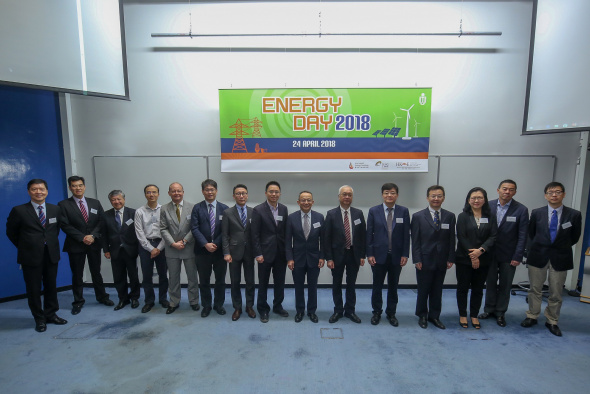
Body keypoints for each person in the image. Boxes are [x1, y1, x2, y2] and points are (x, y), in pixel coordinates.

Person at [6, 179, 68, 332]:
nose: (38, 192)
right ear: (29, 192)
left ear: (47, 191)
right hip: (30, 256)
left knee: (51, 286)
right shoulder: (19, 210)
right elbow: (11, 232)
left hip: (51, 254)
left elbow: (55, 230)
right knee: (33, 289)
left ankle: (51, 314)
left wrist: (48, 243)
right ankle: (39, 319)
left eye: (41, 189)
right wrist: (27, 246)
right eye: (34, 189)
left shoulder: (55, 209)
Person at [521, 181, 582, 337]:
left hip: (561, 257)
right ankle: (532, 316)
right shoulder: (537, 212)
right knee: (535, 289)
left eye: (558, 192)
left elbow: (574, 237)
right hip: (538, 255)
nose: (554, 195)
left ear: (564, 194)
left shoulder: (574, 214)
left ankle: (552, 321)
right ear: (545, 195)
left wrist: (559, 246)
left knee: (556, 291)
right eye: (550, 192)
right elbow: (531, 234)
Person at [59, 175, 113, 315]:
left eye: (80, 185)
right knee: (77, 274)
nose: (78, 188)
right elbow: (65, 225)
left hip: (94, 243)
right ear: (70, 187)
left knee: (96, 272)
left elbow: (101, 221)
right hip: (76, 244)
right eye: (74, 186)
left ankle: (102, 297)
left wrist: (93, 236)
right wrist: (82, 237)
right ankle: (78, 301)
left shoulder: (94, 202)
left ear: (84, 186)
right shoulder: (63, 205)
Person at [479, 180, 528, 327]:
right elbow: (482, 229)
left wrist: (518, 255)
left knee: (505, 285)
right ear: (498, 190)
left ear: (515, 192)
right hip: (489, 252)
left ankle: (500, 313)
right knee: (490, 283)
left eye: (511, 190)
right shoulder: (488, 206)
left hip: (509, 254)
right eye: (504, 189)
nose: (507, 192)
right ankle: (489, 309)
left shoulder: (521, 210)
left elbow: (523, 235)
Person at [411, 185, 456, 329]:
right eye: (433, 196)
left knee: (437, 290)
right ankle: (422, 315)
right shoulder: (418, 216)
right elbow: (415, 240)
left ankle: (434, 316)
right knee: (423, 289)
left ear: (443, 198)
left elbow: (451, 239)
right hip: (424, 259)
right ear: (427, 198)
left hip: (442, 259)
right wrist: (417, 259)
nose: (436, 199)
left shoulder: (450, 216)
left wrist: (451, 257)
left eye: (439, 196)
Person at [366, 183, 410, 327]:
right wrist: (370, 253)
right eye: (386, 193)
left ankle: (391, 313)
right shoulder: (374, 211)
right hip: (378, 256)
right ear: (382, 195)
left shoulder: (403, 211)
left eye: (392, 193)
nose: (389, 195)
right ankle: (376, 312)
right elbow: (369, 234)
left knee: (393, 286)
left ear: (397, 195)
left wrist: (405, 254)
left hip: (396, 256)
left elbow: (406, 235)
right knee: (377, 286)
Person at [455, 187, 497, 329]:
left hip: (484, 258)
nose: (476, 200)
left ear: (484, 200)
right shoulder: (462, 216)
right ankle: (462, 314)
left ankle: (474, 315)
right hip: (464, 259)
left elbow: (493, 236)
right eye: (473, 198)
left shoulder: (491, 216)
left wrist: (480, 251)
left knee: (478, 289)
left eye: (479, 198)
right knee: (463, 288)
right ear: (468, 200)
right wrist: (473, 255)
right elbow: (461, 237)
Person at [324, 185, 366, 324]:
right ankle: (338, 310)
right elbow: (327, 238)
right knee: (336, 284)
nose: (347, 197)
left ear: (352, 197)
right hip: (337, 256)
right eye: (344, 194)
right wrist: (329, 258)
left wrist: (362, 255)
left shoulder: (358, 213)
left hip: (353, 254)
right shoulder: (331, 214)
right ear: (339, 197)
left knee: (351, 284)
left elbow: (362, 236)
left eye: (349, 194)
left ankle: (350, 311)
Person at [251, 181, 289, 323]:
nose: (274, 194)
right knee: (263, 283)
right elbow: (254, 235)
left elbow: (285, 232)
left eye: (276, 192)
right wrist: (258, 254)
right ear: (266, 193)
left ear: (280, 193)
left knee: (280, 282)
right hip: (264, 254)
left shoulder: (284, 209)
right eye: (271, 191)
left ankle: (277, 306)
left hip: (281, 254)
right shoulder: (258, 210)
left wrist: (287, 253)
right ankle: (263, 309)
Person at [191, 179, 229, 317]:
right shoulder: (197, 208)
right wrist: (205, 244)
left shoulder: (224, 208)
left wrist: (216, 244)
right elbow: (194, 228)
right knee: (204, 281)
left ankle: (219, 305)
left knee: (220, 280)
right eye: (207, 190)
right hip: (202, 251)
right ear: (202, 192)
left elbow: (225, 230)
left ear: (216, 191)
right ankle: (206, 306)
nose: (210, 192)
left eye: (212, 189)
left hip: (220, 252)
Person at [286, 191, 325, 323]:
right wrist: (289, 258)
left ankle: (312, 311)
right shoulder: (291, 218)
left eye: (309, 200)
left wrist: (322, 257)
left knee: (313, 286)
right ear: (298, 202)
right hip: (297, 259)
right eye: (303, 200)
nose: (306, 202)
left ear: (312, 202)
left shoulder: (320, 217)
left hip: (314, 259)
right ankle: (300, 311)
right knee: (298, 287)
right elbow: (287, 241)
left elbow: (323, 240)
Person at [160, 182, 199, 314]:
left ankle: (193, 301)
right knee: (173, 277)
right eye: (173, 191)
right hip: (172, 249)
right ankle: (174, 302)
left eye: (179, 191)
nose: (176, 193)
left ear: (183, 192)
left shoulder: (193, 207)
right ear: (169, 193)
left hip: (188, 247)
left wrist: (184, 241)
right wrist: (173, 243)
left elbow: (194, 228)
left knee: (192, 277)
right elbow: (163, 228)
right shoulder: (164, 209)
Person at [101, 190, 140, 311]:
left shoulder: (133, 213)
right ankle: (123, 299)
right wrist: (106, 250)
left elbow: (138, 232)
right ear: (110, 201)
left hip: (131, 250)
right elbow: (104, 234)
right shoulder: (105, 215)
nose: (116, 202)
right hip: (115, 251)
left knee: (133, 275)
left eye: (119, 199)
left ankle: (135, 298)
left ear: (124, 199)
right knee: (118, 277)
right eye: (113, 200)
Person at [222, 184, 255, 321]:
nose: (241, 196)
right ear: (234, 196)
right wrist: (226, 252)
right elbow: (224, 235)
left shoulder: (254, 212)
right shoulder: (228, 213)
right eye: (238, 193)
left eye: (244, 193)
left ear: (247, 195)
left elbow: (256, 234)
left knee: (250, 281)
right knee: (235, 281)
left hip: (250, 252)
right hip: (233, 252)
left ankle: (249, 306)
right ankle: (237, 307)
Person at [135, 184, 169, 313]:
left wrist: (159, 248)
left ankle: (163, 298)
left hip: (162, 244)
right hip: (145, 246)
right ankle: (149, 301)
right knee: (147, 275)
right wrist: (150, 249)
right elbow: (139, 232)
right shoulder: (140, 211)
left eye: (154, 192)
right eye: (148, 192)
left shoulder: (164, 210)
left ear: (158, 194)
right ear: (145, 194)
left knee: (163, 275)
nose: (151, 195)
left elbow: (167, 230)